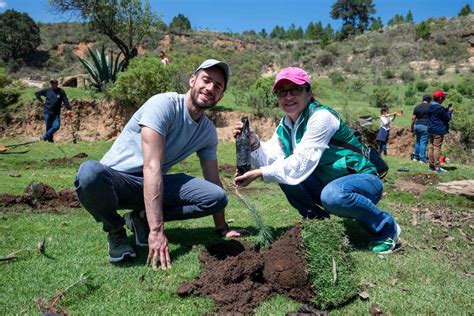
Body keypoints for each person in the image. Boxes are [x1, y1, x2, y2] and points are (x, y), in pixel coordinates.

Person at [75, 59, 245, 270]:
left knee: (217, 197)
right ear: (192, 80)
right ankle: (115, 231)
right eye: (206, 80)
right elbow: (151, 167)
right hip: (115, 183)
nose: (210, 88)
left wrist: (222, 228)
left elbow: (213, 179)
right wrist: (157, 231)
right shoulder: (164, 105)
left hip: (152, 184)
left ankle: (141, 218)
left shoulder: (207, 131)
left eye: (217, 86)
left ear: (221, 96)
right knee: (89, 173)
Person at [233, 67, 400, 254]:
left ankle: (386, 228)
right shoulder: (286, 124)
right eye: (282, 92)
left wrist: (261, 173)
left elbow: (300, 164)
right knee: (285, 175)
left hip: (363, 180)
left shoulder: (321, 117)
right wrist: (254, 143)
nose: (288, 97)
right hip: (328, 182)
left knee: (333, 195)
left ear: (308, 92)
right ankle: (317, 222)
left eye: (295, 89)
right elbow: (272, 158)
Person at [427, 90, 453, 173]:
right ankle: (437, 167)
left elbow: (436, 116)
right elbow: (447, 118)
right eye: (443, 98)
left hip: (430, 129)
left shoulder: (430, 106)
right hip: (438, 130)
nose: (443, 99)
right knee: (437, 147)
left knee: (431, 147)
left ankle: (431, 166)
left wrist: (444, 110)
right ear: (440, 98)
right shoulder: (440, 108)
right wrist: (449, 112)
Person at [410, 95, 432, 163]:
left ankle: (415, 157)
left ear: (422, 99)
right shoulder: (430, 107)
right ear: (429, 101)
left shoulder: (417, 107)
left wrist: (412, 127)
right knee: (423, 142)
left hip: (417, 125)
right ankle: (422, 159)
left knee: (418, 141)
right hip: (425, 126)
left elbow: (413, 118)